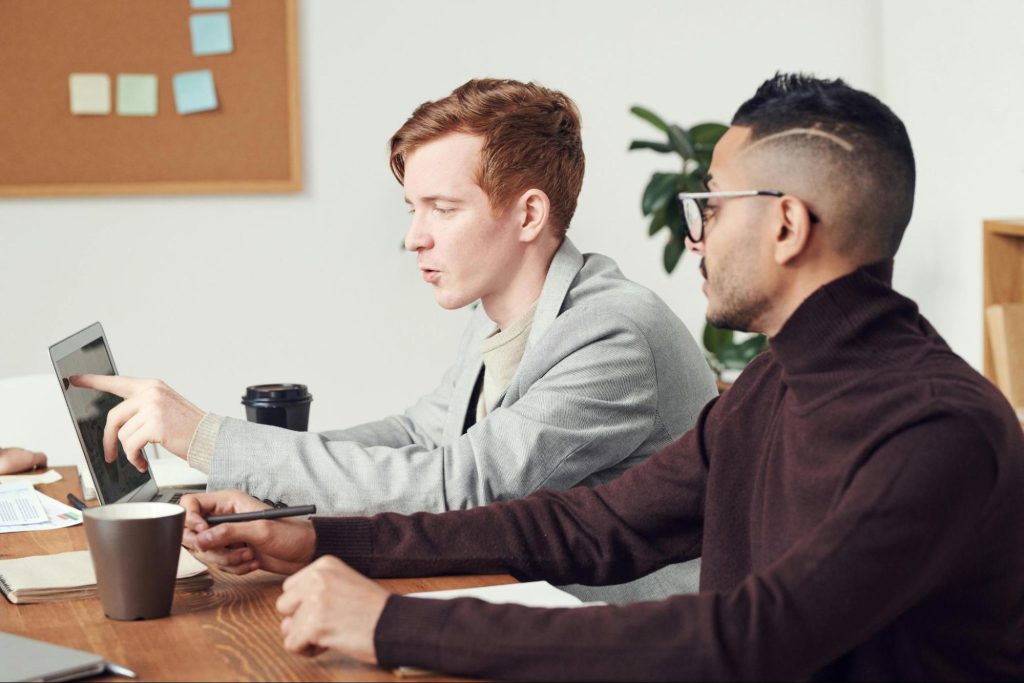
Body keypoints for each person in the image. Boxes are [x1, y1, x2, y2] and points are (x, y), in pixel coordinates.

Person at [181, 72, 1024, 681]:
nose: (694, 235)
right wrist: (321, 536)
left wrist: (400, 624)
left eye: (711, 206)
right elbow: (587, 526)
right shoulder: (774, 386)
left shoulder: (939, 430)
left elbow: (752, 640)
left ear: (787, 225)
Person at [73, 79, 717, 601]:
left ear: (528, 214)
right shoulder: (503, 306)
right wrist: (257, 497)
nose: (415, 237)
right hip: (510, 597)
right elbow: (418, 435)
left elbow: (461, 485)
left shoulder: (614, 334)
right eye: (413, 208)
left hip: (620, 637)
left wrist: (208, 436)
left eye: (442, 208)